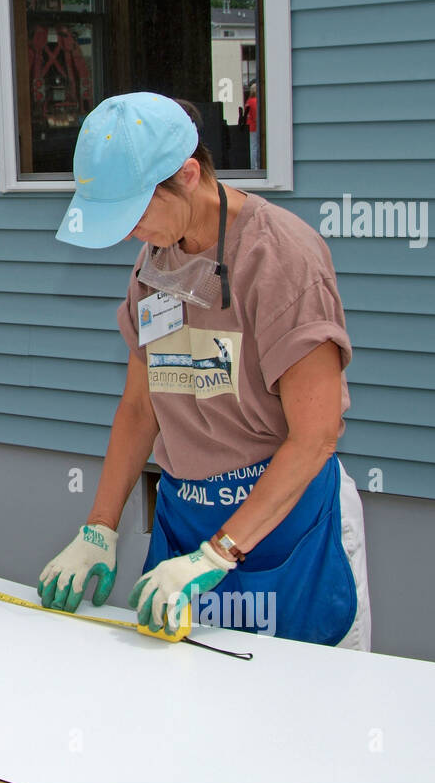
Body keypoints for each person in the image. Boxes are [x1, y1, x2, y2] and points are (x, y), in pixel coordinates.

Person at [36, 93, 369, 650]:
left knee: (305, 714)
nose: (127, 234)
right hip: (187, 517)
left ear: (188, 175)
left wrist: (220, 553)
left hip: (284, 524)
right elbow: (142, 408)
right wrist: (99, 527)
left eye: (136, 213)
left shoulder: (282, 257)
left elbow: (317, 436)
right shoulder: (155, 261)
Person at [245, 82, 259, 169]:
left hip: (249, 127)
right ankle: (254, 166)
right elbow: (256, 116)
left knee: (252, 147)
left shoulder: (248, 101)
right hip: (254, 127)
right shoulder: (255, 101)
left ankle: (252, 166)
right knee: (254, 148)